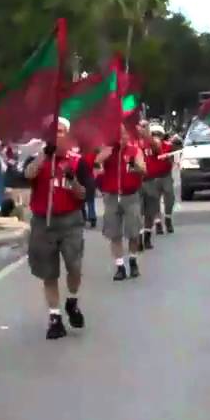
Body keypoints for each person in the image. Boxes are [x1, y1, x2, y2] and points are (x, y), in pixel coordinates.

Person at [24, 119, 89, 340]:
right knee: (48, 271)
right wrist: (43, 156)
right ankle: (55, 316)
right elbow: (28, 175)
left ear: (67, 136)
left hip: (70, 221)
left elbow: (84, 194)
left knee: (75, 267)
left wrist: (72, 181)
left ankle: (72, 300)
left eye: (60, 132)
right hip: (44, 222)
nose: (56, 136)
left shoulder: (77, 161)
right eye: (52, 133)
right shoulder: (39, 160)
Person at [95, 122, 146, 280]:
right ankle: (119, 266)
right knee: (114, 233)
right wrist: (105, 154)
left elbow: (143, 169)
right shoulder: (108, 150)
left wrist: (135, 166)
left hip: (130, 196)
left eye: (123, 134)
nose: (121, 138)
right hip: (111, 196)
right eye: (118, 135)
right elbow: (96, 166)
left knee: (133, 232)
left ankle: (133, 260)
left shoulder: (134, 150)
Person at [140, 122, 176, 246]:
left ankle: (167, 217)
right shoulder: (140, 145)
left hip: (165, 176)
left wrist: (170, 156)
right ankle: (156, 223)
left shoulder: (166, 145)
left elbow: (171, 156)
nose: (156, 136)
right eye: (153, 134)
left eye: (158, 134)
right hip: (148, 178)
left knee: (169, 196)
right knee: (151, 204)